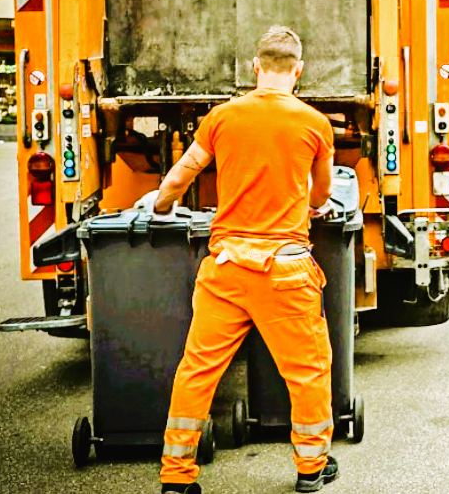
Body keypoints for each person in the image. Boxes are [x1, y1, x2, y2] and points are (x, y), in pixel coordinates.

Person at [140, 26, 338, 494]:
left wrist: (163, 205)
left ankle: (176, 477)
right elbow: (323, 193)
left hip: (226, 266)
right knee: (307, 371)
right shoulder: (314, 123)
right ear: (298, 70)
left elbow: (179, 176)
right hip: (285, 270)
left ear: (256, 66)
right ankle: (311, 469)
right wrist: (311, 206)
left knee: (197, 370)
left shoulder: (221, 118)